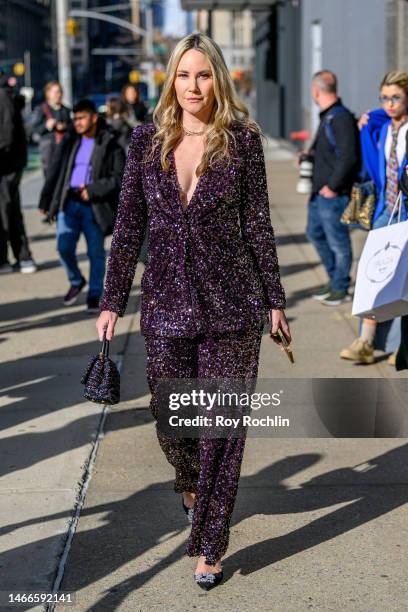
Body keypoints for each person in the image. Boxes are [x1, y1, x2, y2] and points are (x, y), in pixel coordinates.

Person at [96, 33, 291, 589]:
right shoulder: (145, 141)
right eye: (184, 75)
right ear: (171, 80)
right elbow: (129, 227)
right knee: (171, 418)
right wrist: (112, 300)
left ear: (219, 79)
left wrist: (275, 298)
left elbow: (257, 224)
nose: (193, 86)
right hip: (163, 304)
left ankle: (209, 544)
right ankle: (189, 484)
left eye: (203, 75)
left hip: (233, 304)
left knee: (220, 430)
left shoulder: (242, 142)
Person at [340, 71, 408, 365]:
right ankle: (365, 342)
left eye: (396, 97)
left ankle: (400, 347)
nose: (389, 104)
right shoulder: (383, 129)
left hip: (406, 213)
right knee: (374, 275)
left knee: (404, 283)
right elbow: (371, 163)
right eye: (385, 98)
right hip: (384, 211)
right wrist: (371, 116)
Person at [38, 99, 126, 313]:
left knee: (95, 253)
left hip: (93, 206)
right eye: (75, 118)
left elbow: (118, 177)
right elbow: (56, 170)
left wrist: (93, 189)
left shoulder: (110, 142)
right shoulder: (70, 140)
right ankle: (76, 281)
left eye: (81, 118)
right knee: (63, 247)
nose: (76, 122)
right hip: (69, 202)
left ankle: (95, 294)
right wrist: (46, 200)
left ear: (94, 118)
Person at [306, 70, 360, 306]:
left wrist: (333, 187)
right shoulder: (327, 116)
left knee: (339, 242)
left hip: (332, 194)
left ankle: (340, 287)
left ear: (316, 91)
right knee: (314, 234)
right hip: (319, 193)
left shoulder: (340, 118)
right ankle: (334, 279)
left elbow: (349, 158)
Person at [0, 71, 36, 274]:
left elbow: (5, 136)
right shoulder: (6, 95)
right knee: (11, 212)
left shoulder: (2, 96)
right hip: (10, 165)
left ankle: (7, 259)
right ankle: (22, 258)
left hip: (6, 167)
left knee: (5, 213)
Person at [31, 81, 71, 178]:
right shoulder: (41, 109)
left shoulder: (66, 110)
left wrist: (65, 126)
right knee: (51, 175)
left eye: (59, 92)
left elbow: (72, 126)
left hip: (64, 145)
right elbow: (35, 129)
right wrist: (46, 126)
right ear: (48, 94)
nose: (58, 95)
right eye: (55, 92)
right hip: (49, 146)